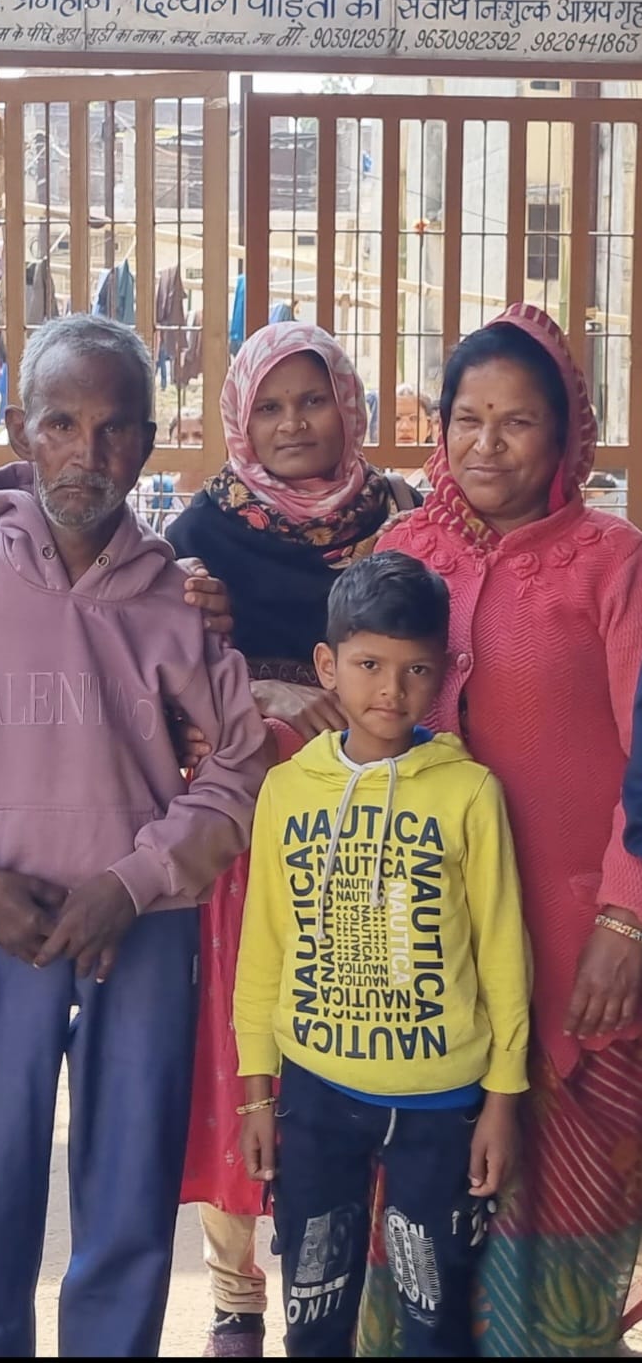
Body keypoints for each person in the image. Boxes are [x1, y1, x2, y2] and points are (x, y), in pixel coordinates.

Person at [0, 316, 269, 1358]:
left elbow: (241, 765)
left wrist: (134, 879)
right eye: (60, 423)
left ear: (148, 443)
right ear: (18, 430)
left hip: (140, 934)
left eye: (115, 428)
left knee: (127, 1196)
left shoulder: (178, 597)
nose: (87, 451)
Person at [368, 303, 642, 1358]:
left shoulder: (611, 563)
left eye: (516, 421)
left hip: (575, 962)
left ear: (564, 432)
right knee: (417, 1256)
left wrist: (626, 917)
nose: (486, 444)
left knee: (554, 1279)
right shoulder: (405, 551)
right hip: (420, 968)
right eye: (466, 418)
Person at [166, 322, 420, 1358]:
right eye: (268, 406)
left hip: (379, 834)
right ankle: (236, 1295)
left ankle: (359, 1289)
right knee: (245, 1050)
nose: (291, 424)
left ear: (348, 406)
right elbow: (166, 685)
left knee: (363, 1042)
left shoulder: (402, 520)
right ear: (238, 418)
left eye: (312, 400)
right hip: (252, 838)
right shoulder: (199, 535)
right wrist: (270, 699)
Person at [235, 551, 530, 1358]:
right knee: (313, 1309)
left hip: (440, 1102)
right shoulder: (287, 789)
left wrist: (501, 1099)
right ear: (326, 665)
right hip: (314, 1092)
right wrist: (256, 1095)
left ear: (443, 674)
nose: (390, 691)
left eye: (414, 670)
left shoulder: (467, 793)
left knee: (434, 1314)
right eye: (368, 665)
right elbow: (263, 945)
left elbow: (502, 953)